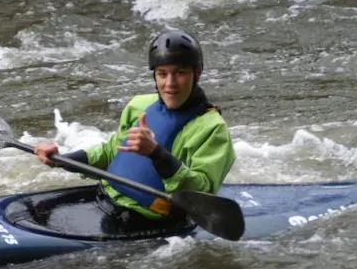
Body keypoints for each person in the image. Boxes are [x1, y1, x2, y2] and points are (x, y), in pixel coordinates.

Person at [33, 29, 235, 234]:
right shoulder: (139, 106)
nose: (170, 83)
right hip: (102, 200)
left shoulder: (213, 129)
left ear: (197, 73)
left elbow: (202, 192)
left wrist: (156, 153)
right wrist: (62, 159)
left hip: (150, 223)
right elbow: (110, 153)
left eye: (180, 73)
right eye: (162, 74)